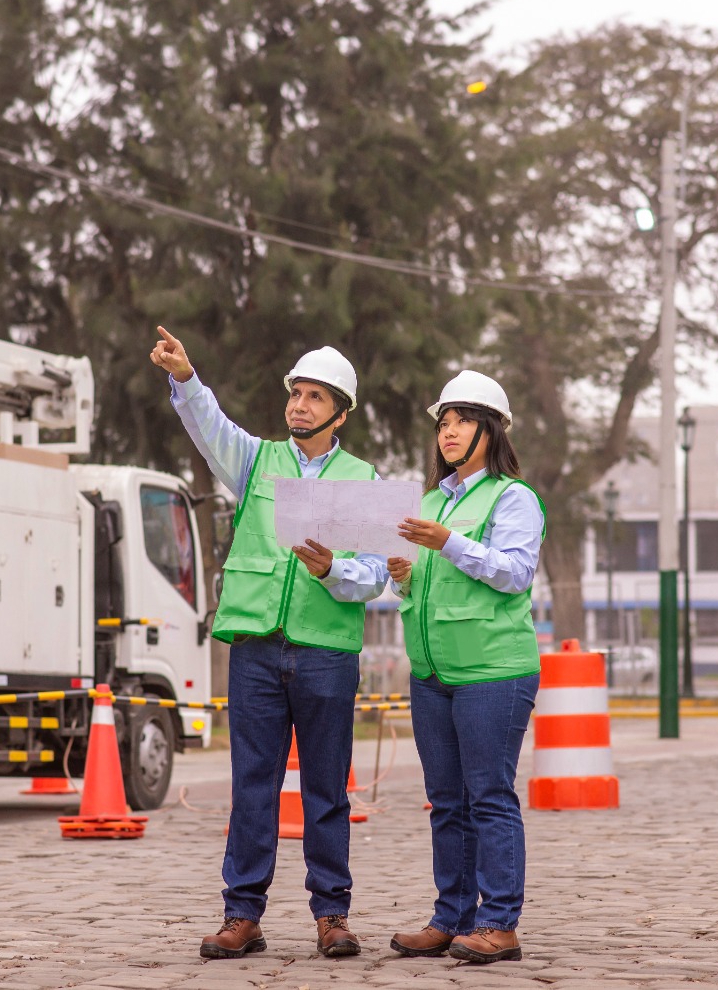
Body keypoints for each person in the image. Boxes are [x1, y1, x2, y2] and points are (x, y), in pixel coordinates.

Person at [149, 326, 388, 961]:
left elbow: (376, 576)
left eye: (314, 397)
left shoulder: (363, 479)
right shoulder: (256, 461)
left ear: (340, 412)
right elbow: (209, 426)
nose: (298, 405)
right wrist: (184, 377)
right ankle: (242, 915)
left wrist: (331, 569)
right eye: (295, 393)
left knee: (326, 787)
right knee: (252, 782)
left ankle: (331, 915)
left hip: (325, 653)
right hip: (255, 647)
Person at [386, 370, 544, 964]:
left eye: (461, 420)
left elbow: (512, 572)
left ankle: (499, 922)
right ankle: (452, 918)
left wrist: (448, 541)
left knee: (489, 797)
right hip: (431, 674)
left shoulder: (513, 498)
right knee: (447, 800)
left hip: (492, 673)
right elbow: (422, 591)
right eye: (442, 422)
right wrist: (405, 579)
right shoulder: (427, 502)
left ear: (492, 429)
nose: (447, 431)